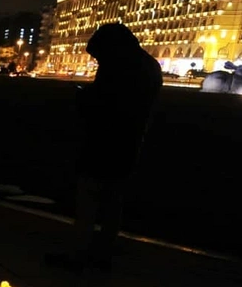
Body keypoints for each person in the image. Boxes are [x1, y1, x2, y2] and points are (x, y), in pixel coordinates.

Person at [47, 23, 162, 273]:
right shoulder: (149, 66)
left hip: (104, 144)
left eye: (99, 57)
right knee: (113, 204)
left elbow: (102, 105)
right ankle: (102, 255)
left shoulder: (118, 67)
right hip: (129, 144)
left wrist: (83, 98)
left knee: (89, 201)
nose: (98, 62)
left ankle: (79, 254)